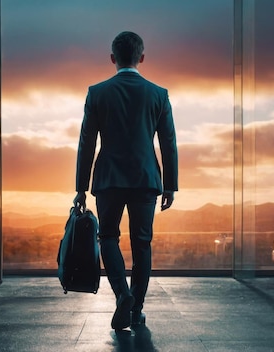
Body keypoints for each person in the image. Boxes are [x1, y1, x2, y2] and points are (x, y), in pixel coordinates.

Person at [74, 31, 178, 331]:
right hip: (146, 179)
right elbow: (168, 142)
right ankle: (136, 309)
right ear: (142, 58)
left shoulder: (97, 93)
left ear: (112, 59)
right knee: (142, 244)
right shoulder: (159, 94)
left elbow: (87, 143)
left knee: (107, 238)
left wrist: (81, 187)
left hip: (108, 179)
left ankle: (123, 295)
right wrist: (170, 184)